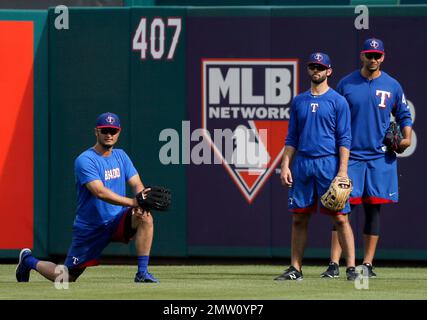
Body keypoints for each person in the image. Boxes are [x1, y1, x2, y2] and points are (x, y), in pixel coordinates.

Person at [16, 112, 159, 283]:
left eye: (113, 131)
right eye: (104, 130)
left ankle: (142, 274)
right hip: (90, 228)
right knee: (65, 277)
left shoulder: (121, 156)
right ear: (96, 132)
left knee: (145, 216)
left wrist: (141, 199)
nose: (109, 135)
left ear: (119, 132)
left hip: (116, 220)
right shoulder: (85, 160)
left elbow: (136, 182)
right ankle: (28, 261)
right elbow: (99, 191)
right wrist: (132, 202)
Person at [321, 38, 413, 279]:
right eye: (369, 54)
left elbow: (404, 115)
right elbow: (333, 116)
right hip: (350, 157)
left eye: (377, 55)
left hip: (379, 158)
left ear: (383, 57)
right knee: (341, 209)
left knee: (374, 210)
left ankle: (367, 265)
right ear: (361, 55)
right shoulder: (346, 83)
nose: (373, 59)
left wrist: (406, 138)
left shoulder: (392, 85)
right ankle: (334, 264)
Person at [274, 52, 357, 281]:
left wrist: (342, 171)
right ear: (308, 69)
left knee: (340, 217)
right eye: (312, 66)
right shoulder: (299, 101)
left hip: (328, 163)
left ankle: (351, 268)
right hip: (303, 163)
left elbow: (344, 139)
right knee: (299, 217)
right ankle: (295, 269)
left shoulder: (338, 101)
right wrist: (286, 164)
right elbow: (292, 138)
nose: (316, 70)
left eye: (320, 67)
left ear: (329, 71)